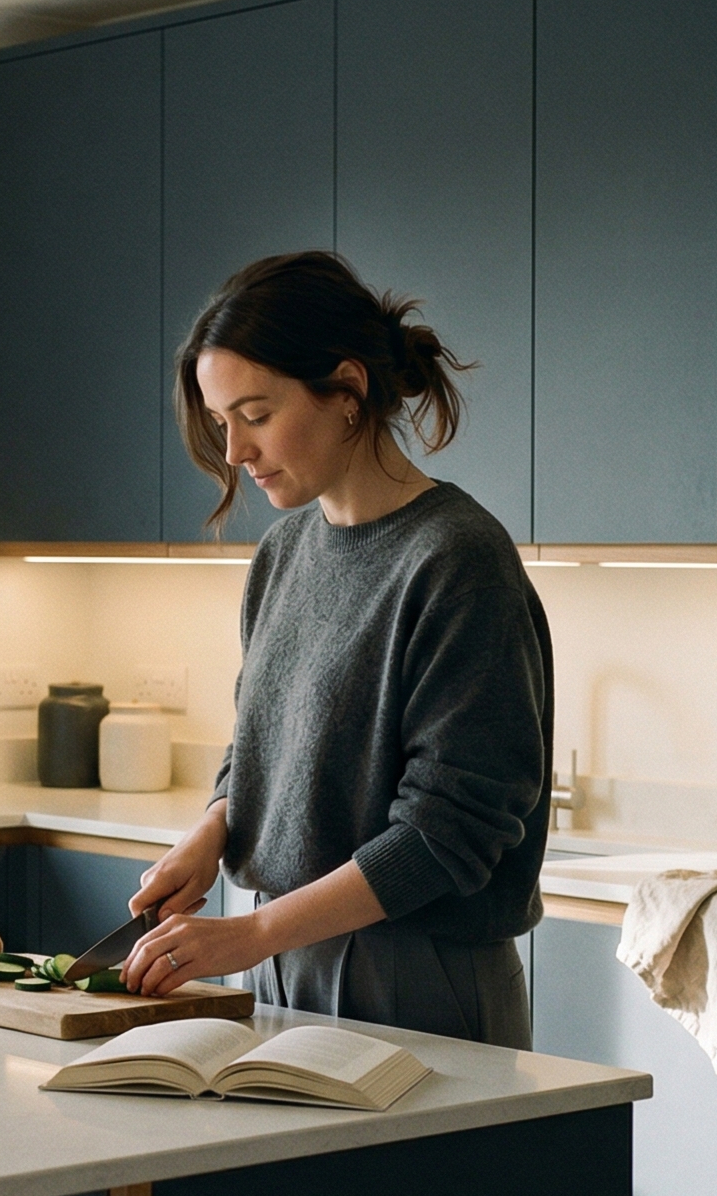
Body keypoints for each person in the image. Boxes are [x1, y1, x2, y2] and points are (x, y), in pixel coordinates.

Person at [120, 249, 553, 1048]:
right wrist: (210, 835)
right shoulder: (284, 556)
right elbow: (262, 747)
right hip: (280, 962)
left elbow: (446, 834)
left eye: (254, 415)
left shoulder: (455, 557)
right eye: (221, 425)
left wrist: (248, 937)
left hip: (418, 977)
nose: (235, 452)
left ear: (347, 391)